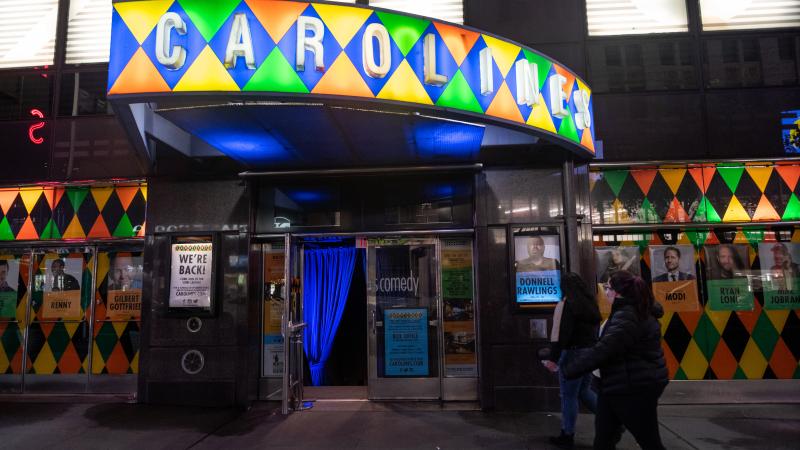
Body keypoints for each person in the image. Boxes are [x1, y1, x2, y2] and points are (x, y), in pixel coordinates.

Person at [562, 270, 668, 450]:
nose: (606, 292)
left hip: (634, 388)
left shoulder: (629, 315)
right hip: (615, 386)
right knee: (604, 440)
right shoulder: (628, 310)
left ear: (619, 293)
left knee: (650, 442)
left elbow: (605, 349)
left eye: (608, 288)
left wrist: (569, 370)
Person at [540, 272, 602, 448]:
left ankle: (567, 435)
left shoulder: (567, 305)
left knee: (568, 396)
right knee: (584, 391)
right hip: (589, 353)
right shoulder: (590, 304)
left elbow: (561, 334)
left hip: (573, 354)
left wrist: (553, 357)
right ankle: (612, 420)